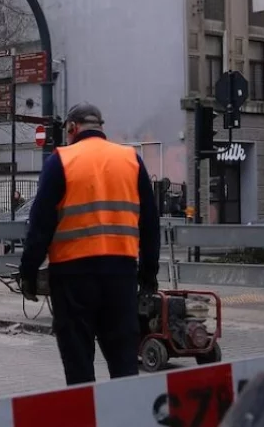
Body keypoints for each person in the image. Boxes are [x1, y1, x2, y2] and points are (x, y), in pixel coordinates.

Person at [18, 103, 161, 385]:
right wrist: (148, 276)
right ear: (100, 127)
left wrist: (29, 273)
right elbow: (150, 224)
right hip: (120, 277)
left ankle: (86, 422)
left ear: (71, 128)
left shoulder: (60, 161)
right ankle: (126, 422)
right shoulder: (131, 160)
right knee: (123, 365)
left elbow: (40, 226)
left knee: (79, 366)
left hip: (72, 279)